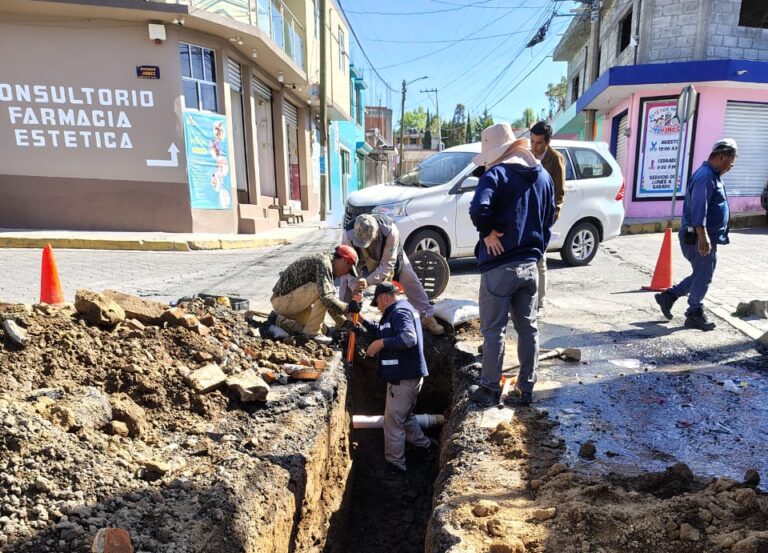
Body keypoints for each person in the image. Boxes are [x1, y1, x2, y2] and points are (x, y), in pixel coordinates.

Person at [467, 123, 555, 407]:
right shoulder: (543, 176)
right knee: (528, 327)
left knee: (494, 330)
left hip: (499, 266)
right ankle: (526, 389)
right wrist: (535, 250)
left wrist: (488, 232)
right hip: (530, 264)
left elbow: (479, 208)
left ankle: (490, 388)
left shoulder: (497, 173)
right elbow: (549, 217)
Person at [654, 139, 738, 331]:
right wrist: (703, 235)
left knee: (702, 274)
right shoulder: (705, 177)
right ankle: (694, 312)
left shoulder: (712, 175)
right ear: (722, 156)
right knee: (704, 275)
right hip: (696, 236)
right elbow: (700, 208)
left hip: (702, 236)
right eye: (731, 160)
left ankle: (669, 296)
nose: (732, 165)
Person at [360, 281, 435, 474]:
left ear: (384, 297)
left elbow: (409, 338)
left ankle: (395, 466)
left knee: (392, 422)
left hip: (403, 379)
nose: (378, 308)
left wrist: (381, 344)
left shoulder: (400, 312)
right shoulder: (395, 312)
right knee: (404, 417)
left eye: (378, 303)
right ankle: (425, 446)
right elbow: (382, 329)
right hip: (404, 379)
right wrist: (360, 319)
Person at [341, 213, 445, 335]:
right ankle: (345, 319)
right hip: (360, 259)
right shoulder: (348, 234)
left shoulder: (390, 231)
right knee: (345, 281)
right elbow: (349, 264)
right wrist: (356, 288)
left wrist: (367, 281)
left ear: (376, 233)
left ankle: (427, 316)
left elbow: (387, 264)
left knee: (409, 277)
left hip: (387, 255)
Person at [269, 245, 362, 343]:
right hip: (282, 301)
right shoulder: (324, 263)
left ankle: (276, 319)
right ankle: (312, 333)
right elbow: (326, 297)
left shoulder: (329, 265)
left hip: (291, 303)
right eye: (348, 269)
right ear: (344, 260)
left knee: (324, 330)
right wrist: (348, 307)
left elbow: (329, 302)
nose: (346, 273)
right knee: (321, 291)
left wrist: (344, 323)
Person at [529, 121, 566, 318]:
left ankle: (541, 303)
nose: (534, 147)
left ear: (548, 142)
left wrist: (550, 219)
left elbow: (559, 194)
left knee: (540, 260)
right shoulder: (527, 156)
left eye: (539, 143)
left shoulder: (555, 159)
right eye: (532, 142)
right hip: (527, 216)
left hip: (543, 218)